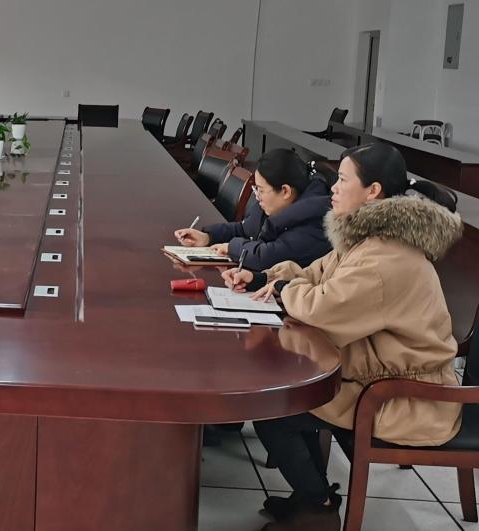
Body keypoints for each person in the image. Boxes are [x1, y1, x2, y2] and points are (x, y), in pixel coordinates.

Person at [222, 143, 462, 529]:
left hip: (406, 397)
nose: (332, 188)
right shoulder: (370, 237)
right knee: (287, 400)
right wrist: (264, 277)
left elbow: (324, 308)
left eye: (343, 180)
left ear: (373, 191)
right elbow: (318, 273)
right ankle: (311, 496)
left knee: (275, 408)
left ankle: (317, 508)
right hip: (374, 378)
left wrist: (284, 290)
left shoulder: (388, 255)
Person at [174, 149, 334, 271]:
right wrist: (208, 236)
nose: (257, 197)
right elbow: (244, 229)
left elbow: (267, 257)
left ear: (285, 191)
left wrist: (231, 248)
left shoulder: (315, 219)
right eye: (256, 189)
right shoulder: (275, 206)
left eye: (261, 190)